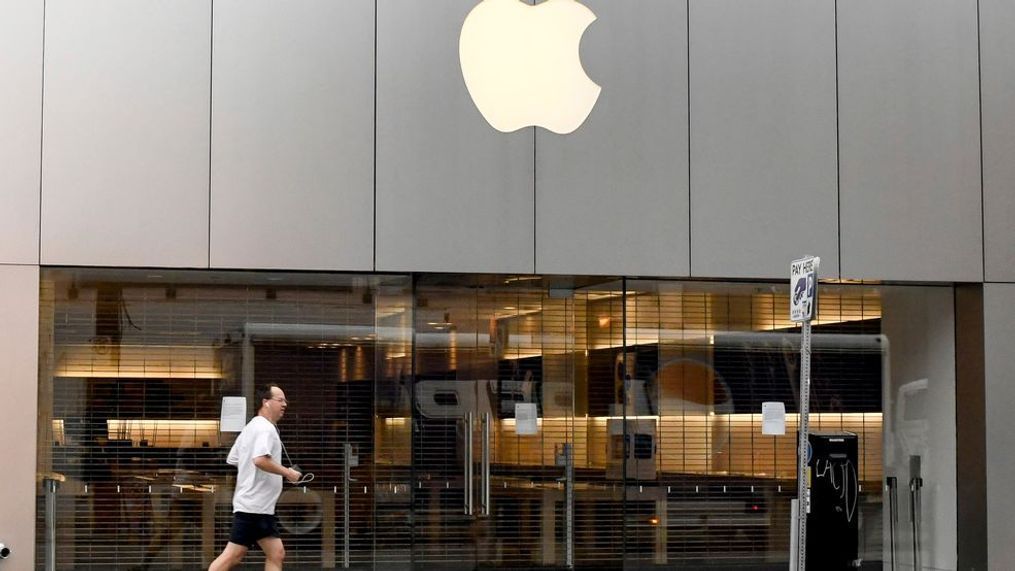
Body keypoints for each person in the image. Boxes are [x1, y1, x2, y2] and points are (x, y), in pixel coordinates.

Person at [209, 384, 301, 571]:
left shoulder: (251, 426)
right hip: (253, 507)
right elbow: (259, 460)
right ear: (265, 402)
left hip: (259, 506)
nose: (285, 404)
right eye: (280, 400)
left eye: (285, 400)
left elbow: (233, 458)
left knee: (276, 554)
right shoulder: (265, 429)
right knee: (232, 557)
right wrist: (288, 473)